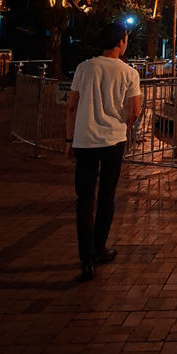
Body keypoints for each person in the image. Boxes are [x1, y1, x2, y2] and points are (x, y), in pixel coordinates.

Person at [65, 22, 142, 281]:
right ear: (120, 41)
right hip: (113, 140)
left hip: (85, 140)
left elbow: (71, 106)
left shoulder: (84, 68)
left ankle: (85, 259)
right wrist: (124, 124)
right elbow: (135, 110)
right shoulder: (129, 72)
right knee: (107, 195)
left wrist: (69, 139)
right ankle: (100, 248)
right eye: (126, 39)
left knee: (84, 200)